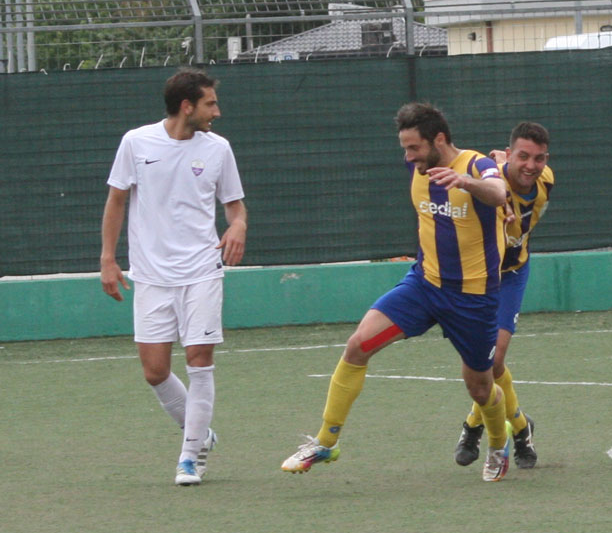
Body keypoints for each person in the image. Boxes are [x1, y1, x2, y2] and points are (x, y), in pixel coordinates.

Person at [280, 102, 516, 481]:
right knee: (358, 346)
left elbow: (498, 192)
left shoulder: (475, 165)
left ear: (439, 139)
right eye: (405, 149)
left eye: (414, 148)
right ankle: (326, 441)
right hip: (423, 286)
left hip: (473, 299)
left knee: (480, 388)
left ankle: (497, 444)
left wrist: (466, 183)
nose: (408, 157)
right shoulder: (418, 167)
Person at [100, 68, 248, 486]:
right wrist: (108, 258)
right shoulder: (136, 142)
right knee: (155, 371)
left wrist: (238, 226)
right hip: (151, 275)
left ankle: (190, 457)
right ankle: (199, 432)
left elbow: (235, 206)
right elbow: (116, 200)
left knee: (199, 359)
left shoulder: (218, 149)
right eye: (210, 104)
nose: (216, 112)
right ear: (187, 106)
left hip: (201, 270)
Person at [454, 122, 554, 470]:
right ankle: (522, 427)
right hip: (481, 278)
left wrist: (505, 160)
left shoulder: (547, 180)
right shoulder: (492, 181)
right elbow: (482, 173)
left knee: (493, 361)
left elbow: (518, 166)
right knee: (482, 363)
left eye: (538, 158)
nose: (531, 165)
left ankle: (473, 426)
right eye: (522, 157)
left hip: (512, 275)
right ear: (510, 154)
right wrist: (496, 165)